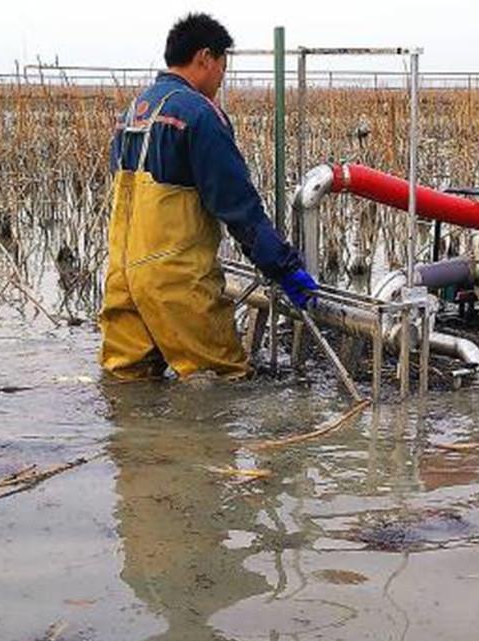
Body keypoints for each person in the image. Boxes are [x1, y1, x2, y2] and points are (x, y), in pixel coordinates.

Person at [99, 13, 317, 380]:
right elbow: (238, 207)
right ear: (204, 57)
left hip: (122, 280)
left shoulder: (133, 112)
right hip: (176, 284)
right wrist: (284, 269)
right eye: (222, 68)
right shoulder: (198, 114)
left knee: (128, 389)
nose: (221, 78)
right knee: (222, 384)